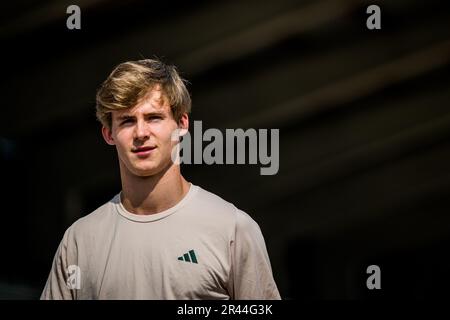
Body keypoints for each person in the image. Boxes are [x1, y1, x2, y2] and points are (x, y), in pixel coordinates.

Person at [40, 58, 281, 300]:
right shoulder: (79, 242)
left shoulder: (233, 229)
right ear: (108, 133)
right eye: (127, 120)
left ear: (182, 123)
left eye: (154, 117)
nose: (141, 133)